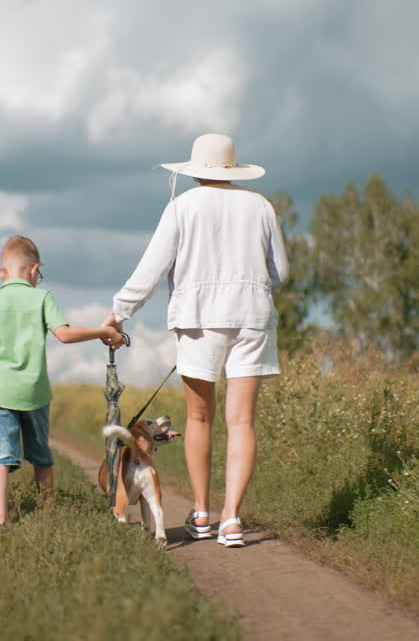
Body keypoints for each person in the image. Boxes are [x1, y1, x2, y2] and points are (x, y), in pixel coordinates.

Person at [105, 133, 288, 548]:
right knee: (241, 421)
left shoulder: (182, 207)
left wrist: (119, 313)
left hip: (199, 317)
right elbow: (281, 272)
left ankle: (202, 513)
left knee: (199, 418)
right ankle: (233, 520)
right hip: (252, 316)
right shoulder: (261, 206)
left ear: (195, 171)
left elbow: (151, 270)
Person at [0, 236, 124, 526]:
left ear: (1, 272)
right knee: (41, 458)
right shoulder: (42, 297)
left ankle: (0, 519)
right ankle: (47, 513)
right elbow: (64, 335)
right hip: (34, 392)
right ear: (34, 270)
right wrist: (100, 332)